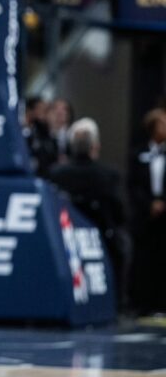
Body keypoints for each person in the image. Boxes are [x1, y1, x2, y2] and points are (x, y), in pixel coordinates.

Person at [49, 118, 129, 308]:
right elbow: (121, 211)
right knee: (124, 244)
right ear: (95, 146)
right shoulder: (109, 174)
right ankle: (118, 302)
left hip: (64, 237)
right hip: (103, 237)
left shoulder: (56, 173)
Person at [129, 108, 166, 313]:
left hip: (164, 216)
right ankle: (141, 302)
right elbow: (133, 185)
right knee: (143, 259)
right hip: (144, 216)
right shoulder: (138, 153)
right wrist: (149, 204)